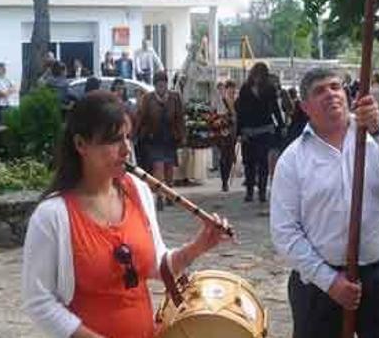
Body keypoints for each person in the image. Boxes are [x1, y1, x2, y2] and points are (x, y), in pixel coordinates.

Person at [21, 91, 231, 338]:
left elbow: (155, 266)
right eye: (113, 141)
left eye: (128, 137)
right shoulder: (52, 216)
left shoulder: (138, 190)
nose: (126, 149)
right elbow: (38, 301)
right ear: (81, 145)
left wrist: (198, 246)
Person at [270, 67, 379, 338]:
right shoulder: (293, 159)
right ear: (305, 106)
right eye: (320, 91)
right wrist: (330, 282)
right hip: (319, 286)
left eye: (335, 87)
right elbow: (284, 233)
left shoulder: (375, 140)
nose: (330, 94)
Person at [135, 71, 185, 211]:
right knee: (158, 166)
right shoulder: (148, 99)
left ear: (167, 84)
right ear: (155, 85)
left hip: (170, 137)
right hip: (153, 137)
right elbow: (141, 117)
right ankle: (160, 197)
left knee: (169, 167)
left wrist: (182, 136)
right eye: (158, 85)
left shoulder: (175, 97)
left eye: (163, 84)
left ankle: (169, 194)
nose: (161, 87)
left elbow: (180, 118)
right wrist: (135, 134)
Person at [235, 62, 284, 203]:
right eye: (256, 75)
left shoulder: (269, 89)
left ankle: (262, 191)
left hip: (265, 129)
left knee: (263, 162)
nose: (258, 78)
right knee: (249, 163)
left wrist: (280, 125)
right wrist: (239, 132)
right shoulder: (245, 89)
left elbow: (275, 109)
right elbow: (240, 112)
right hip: (248, 131)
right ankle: (249, 191)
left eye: (261, 75)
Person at [216, 80, 238, 192]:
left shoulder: (237, 101)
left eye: (234, 89)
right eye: (231, 89)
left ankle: (226, 179)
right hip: (224, 131)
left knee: (230, 156)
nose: (233, 91)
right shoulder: (222, 100)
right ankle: (224, 181)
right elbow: (219, 115)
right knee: (223, 156)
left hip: (233, 131)